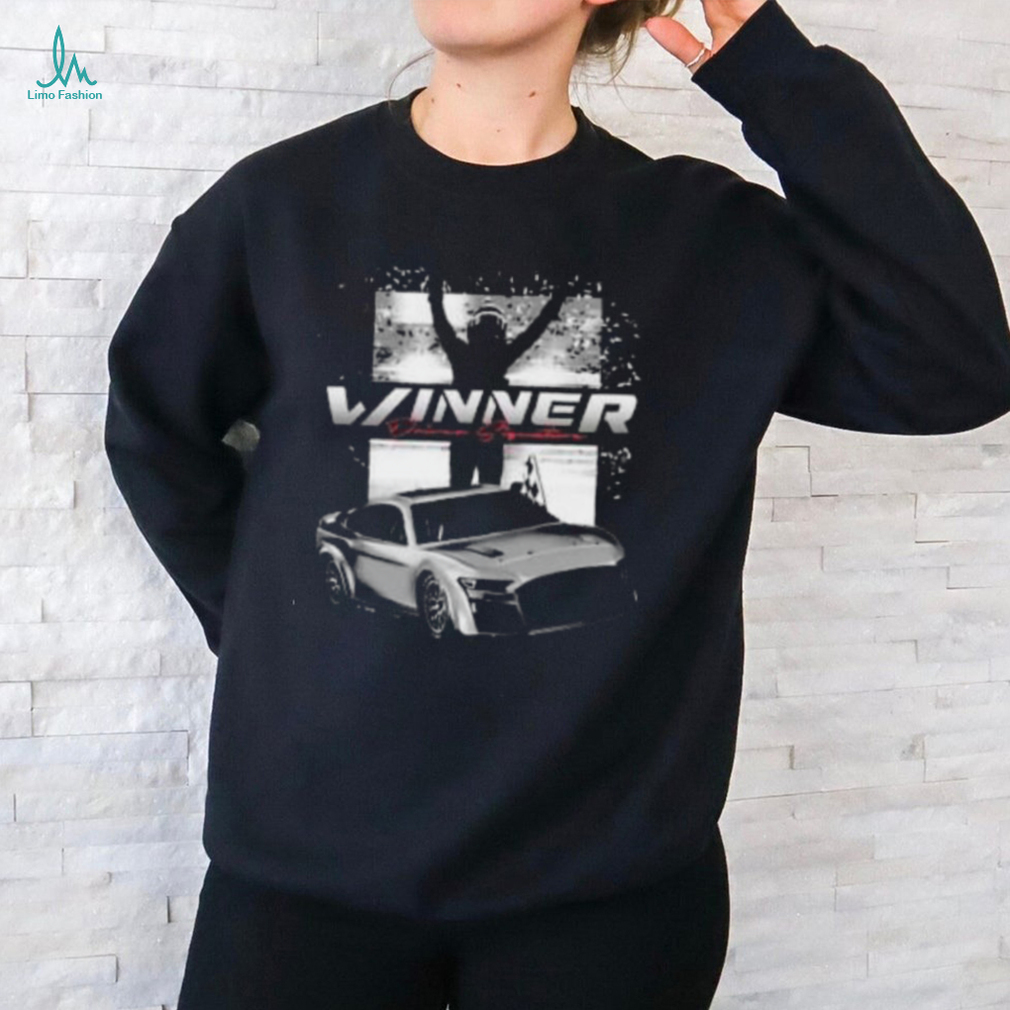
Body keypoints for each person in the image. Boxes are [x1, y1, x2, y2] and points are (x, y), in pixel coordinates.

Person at [102, 1, 1010, 1008]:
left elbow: (954, 364)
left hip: (608, 892)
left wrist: (778, 78)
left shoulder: (706, 239)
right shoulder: (278, 208)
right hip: (303, 880)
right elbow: (158, 432)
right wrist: (273, 631)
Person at [426, 274, 569, 486]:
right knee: (490, 491)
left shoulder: (461, 353)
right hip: (490, 437)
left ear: (473, 328)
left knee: (458, 490)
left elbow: (441, 323)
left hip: (463, 436)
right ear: (500, 331)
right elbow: (533, 332)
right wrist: (556, 301)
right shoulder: (500, 356)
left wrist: (435, 293)